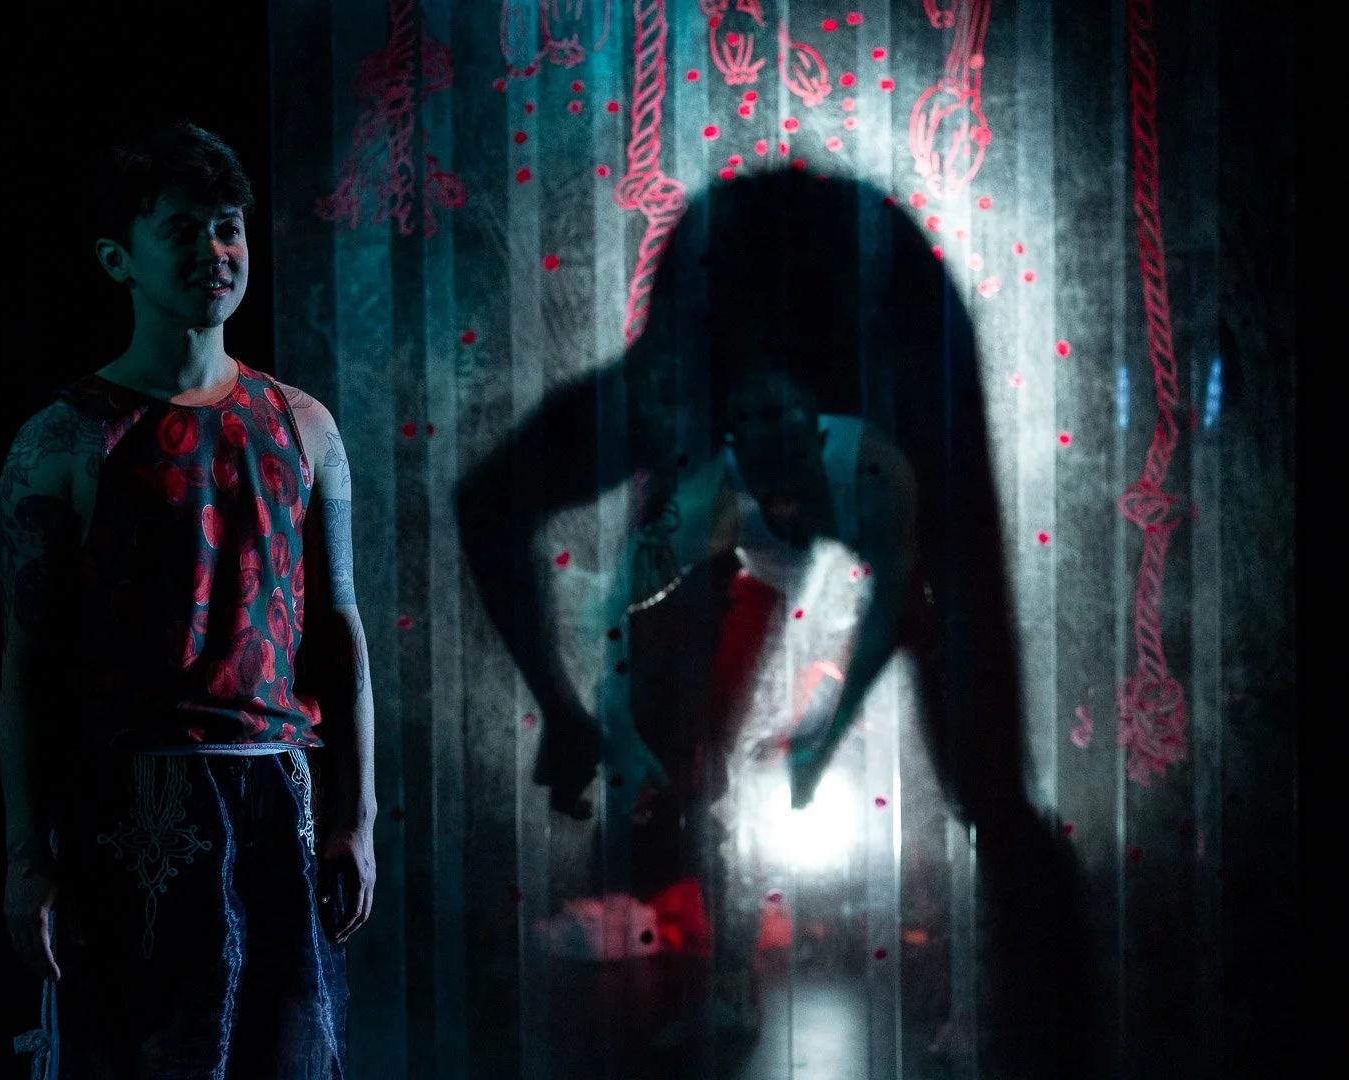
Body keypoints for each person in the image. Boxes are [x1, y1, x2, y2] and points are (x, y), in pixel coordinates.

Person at [456, 167, 1102, 1079]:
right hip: (751, 323)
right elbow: (488, 502)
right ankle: (680, 1000)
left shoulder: (897, 444)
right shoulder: (672, 410)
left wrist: (830, 721)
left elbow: (908, 619)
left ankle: (1055, 1036)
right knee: (662, 745)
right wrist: (562, 710)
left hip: (885, 318)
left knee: (981, 763)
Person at [0, 120, 375, 1079]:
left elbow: (339, 629)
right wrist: (27, 856)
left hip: (278, 792)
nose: (215, 251)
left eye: (228, 227)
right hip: (130, 803)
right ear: (118, 258)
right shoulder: (64, 441)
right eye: (182, 229)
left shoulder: (305, 425)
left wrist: (357, 816)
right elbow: (29, 663)